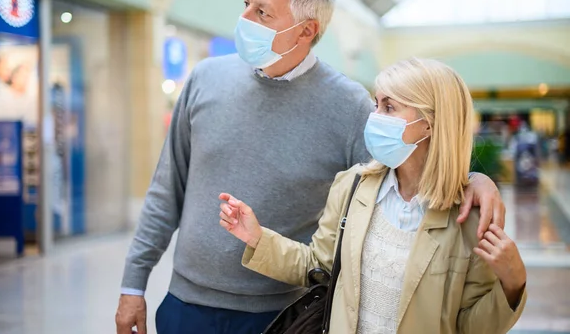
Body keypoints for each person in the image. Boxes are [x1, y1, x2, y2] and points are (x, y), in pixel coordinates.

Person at [116, 0, 506, 334]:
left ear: (306, 31)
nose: (245, 19)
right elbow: (166, 190)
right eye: (246, 4)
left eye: (262, 12)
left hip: (285, 314)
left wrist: (473, 180)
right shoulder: (205, 79)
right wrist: (133, 286)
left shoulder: (351, 106)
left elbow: (402, 178)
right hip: (187, 306)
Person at [220, 58, 527, 333]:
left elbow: (469, 326)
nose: (375, 115)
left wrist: (512, 285)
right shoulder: (352, 186)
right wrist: (258, 238)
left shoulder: (470, 218)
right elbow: (319, 266)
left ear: (429, 124)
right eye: (376, 103)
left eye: (389, 107)